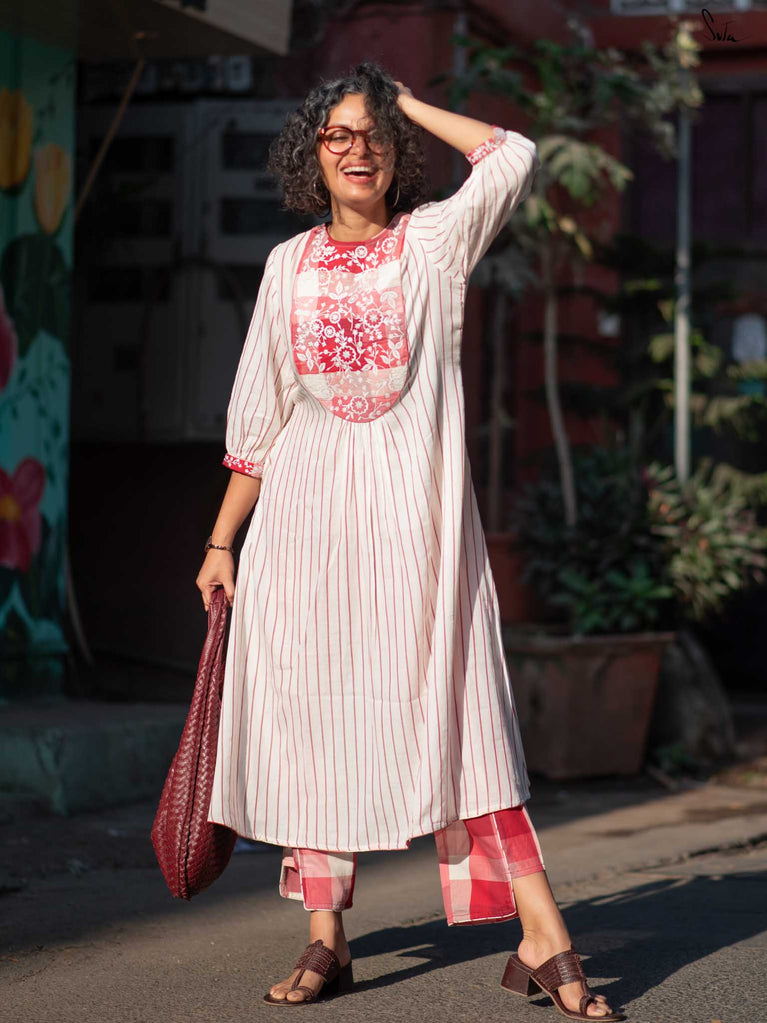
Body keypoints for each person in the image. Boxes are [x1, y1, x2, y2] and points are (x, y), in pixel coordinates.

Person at [196, 61, 624, 1020]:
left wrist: (406, 102)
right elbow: (260, 418)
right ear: (312, 154)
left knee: (462, 718)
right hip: (302, 528)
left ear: (397, 151)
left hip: (416, 528)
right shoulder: (286, 265)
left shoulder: (432, 242)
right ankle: (326, 937)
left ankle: (542, 931)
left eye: (374, 134)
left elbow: (510, 155)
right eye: (337, 134)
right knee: (309, 723)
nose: (357, 149)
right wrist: (222, 543)